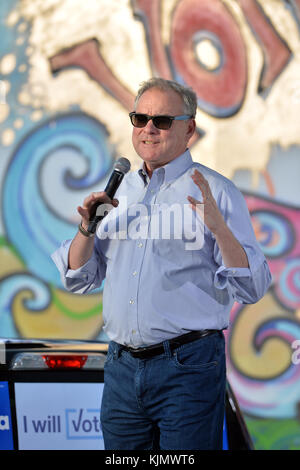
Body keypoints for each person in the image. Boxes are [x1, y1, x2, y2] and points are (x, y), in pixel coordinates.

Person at [52, 77, 271, 450]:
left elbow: (252, 288)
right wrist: (87, 228)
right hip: (121, 369)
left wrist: (218, 228)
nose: (149, 128)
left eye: (163, 121)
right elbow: (78, 278)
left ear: (189, 129)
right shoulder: (117, 191)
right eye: (140, 118)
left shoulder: (215, 191)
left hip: (188, 368)